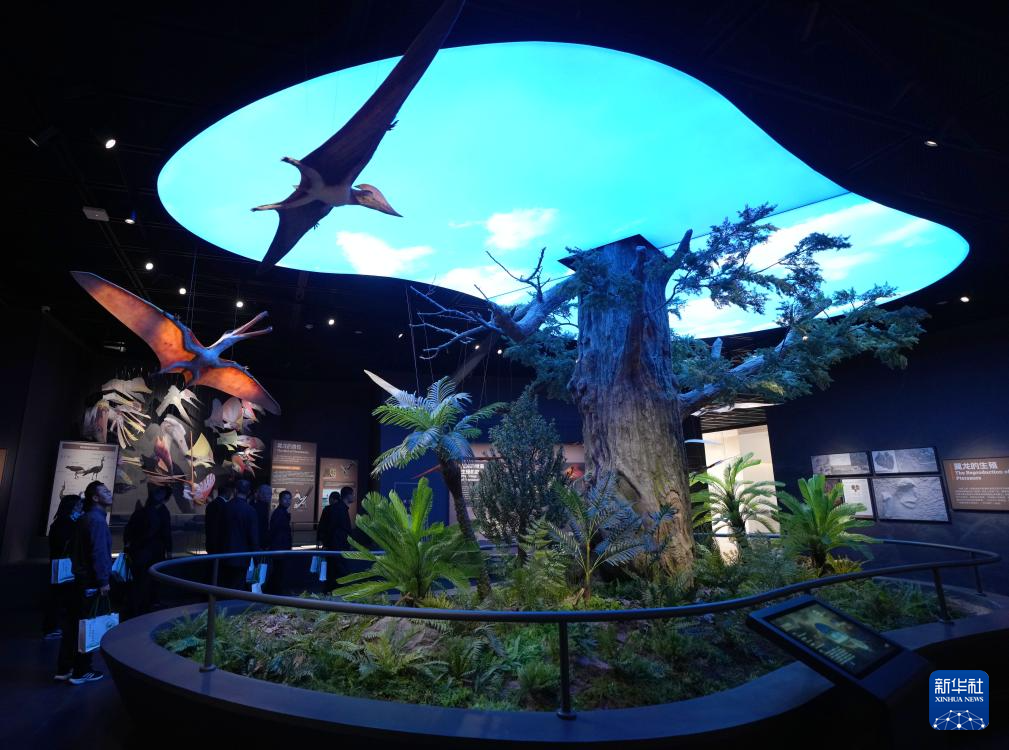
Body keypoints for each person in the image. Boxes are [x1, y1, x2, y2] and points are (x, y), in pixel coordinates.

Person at [56, 481, 112, 685]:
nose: (109, 493)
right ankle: (82, 670)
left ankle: (65, 668)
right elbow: (98, 552)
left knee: (73, 625)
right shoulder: (97, 521)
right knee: (87, 625)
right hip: (91, 581)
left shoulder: (85, 518)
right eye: (104, 491)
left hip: (79, 580)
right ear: (95, 498)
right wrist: (103, 580)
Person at [123, 485, 173, 616]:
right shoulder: (158, 512)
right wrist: (169, 549)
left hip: (144, 552)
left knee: (143, 581)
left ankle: (141, 608)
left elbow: (129, 531)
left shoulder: (146, 511)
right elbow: (166, 532)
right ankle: (143, 607)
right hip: (149, 552)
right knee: (145, 581)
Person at [42, 495, 83, 639]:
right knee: (57, 597)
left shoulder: (60, 522)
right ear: (72, 507)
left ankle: (53, 626)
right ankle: (51, 627)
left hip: (59, 563)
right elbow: (65, 544)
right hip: (63, 564)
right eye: (78, 505)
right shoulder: (65, 524)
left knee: (58, 596)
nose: (81, 507)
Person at [219, 479, 258, 591]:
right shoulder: (250, 510)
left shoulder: (225, 507)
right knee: (238, 586)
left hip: (224, 553)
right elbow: (253, 537)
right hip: (242, 556)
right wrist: (256, 558)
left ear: (235, 490)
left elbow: (219, 531)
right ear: (249, 492)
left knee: (226, 585)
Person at [265, 490, 292, 594]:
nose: (288, 501)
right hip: (279, 548)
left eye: (289, 499)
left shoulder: (281, 512)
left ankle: (273, 592)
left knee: (278, 571)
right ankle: (275, 592)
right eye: (285, 499)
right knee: (278, 571)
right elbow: (275, 532)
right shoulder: (279, 513)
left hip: (280, 547)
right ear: (280, 500)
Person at [205, 480, 230, 555]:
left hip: (210, 541)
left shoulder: (210, 505)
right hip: (222, 543)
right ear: (227, 493)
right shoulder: (226, 506)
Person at [251, 484, 272, 550]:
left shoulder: (259, 506)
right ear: (262, 495)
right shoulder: (262, 508)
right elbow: (261, 528)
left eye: (270, 494)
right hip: (260, 544)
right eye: (269, 494)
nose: (270, 496)